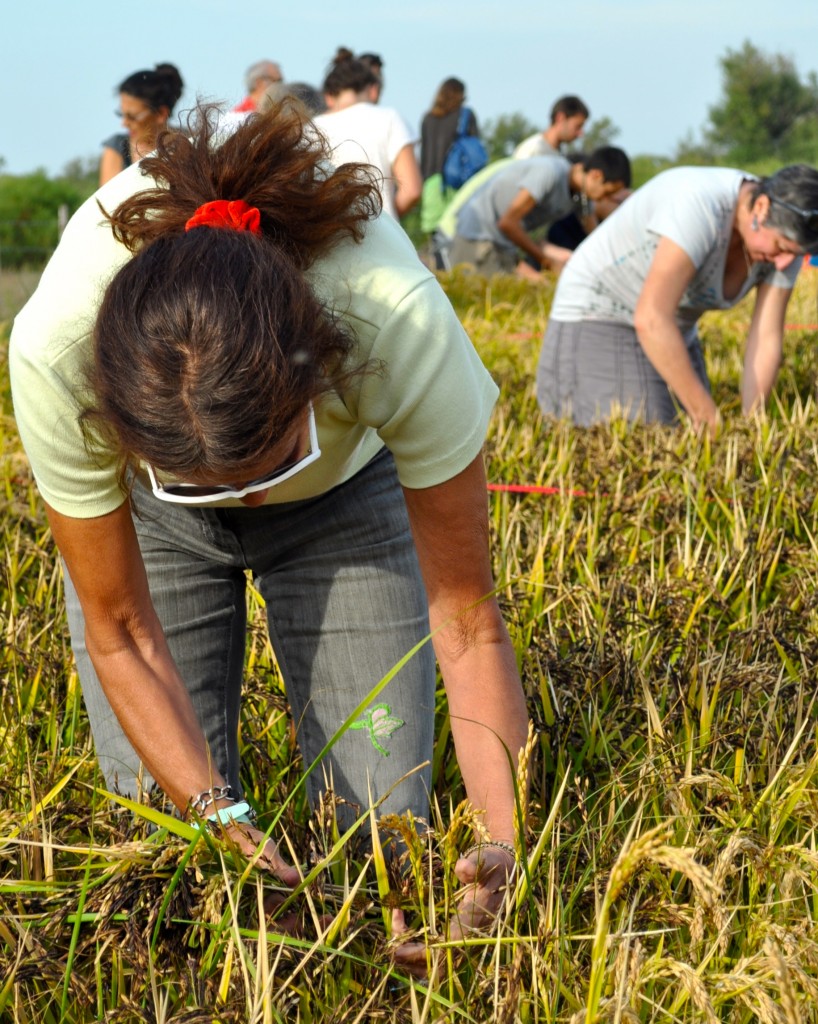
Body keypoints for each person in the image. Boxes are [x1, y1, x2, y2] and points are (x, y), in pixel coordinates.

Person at [10, 103, 529, 960]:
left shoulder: (390, 320)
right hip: (156, 527)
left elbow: (467, 619)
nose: (246, 504)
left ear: (318, 369)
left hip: (344, 504)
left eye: (271, 465)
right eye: (211, 480)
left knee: (380, 848)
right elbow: (121, 631)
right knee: (164, 836)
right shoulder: (56, 349)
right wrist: (213, 804)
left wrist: (504, 840)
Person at [536, 164, 818, 428]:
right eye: (781, 247)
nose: (784, 264)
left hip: (671, 326)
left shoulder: (788, 240)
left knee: (690, 437)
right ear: (761, 206)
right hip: (601, 313)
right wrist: (706, 416)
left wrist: (753, 423)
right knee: (655, 431)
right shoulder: (698, 204)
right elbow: (651, 317)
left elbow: (766, 336)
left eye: (794, 254)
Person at [450, 148, 631, 276]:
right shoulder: (550, 172)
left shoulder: (581, 196)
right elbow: (508, 222)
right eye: (607, 192)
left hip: (503, 244)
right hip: (478, 237)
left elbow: (596, 238)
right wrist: (547, 261)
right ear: (596, 175)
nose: (602, 199)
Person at [313, 49, 421, 220]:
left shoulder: (310, 127)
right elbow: (412, 190)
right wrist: (389, 219)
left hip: (328, 237)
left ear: (329, 96)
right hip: (383, 239)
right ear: (372, 89)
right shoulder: (389, 119)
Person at [99, 63, 184, 186]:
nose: (124, 123)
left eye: (132, 117)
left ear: (161, 113)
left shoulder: (190, 146)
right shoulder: (117, 148)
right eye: (121, 114)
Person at [420, 78, 479, 181]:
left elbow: (424, 155)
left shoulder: (427, 119)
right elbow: (475, 150)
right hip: (455, 180)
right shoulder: (465, 115)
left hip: (429, 181)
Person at [513, 95, 589, 160]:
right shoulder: (532, 150)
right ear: (560, 118)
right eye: (578, 126)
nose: (580, 133)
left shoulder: (559, 155)